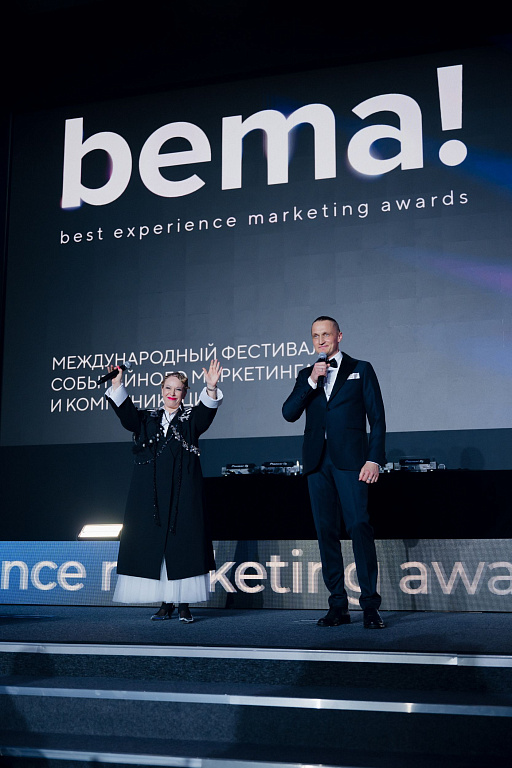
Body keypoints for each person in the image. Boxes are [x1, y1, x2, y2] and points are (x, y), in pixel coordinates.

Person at [282, 316, 386, 629]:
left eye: (326, 334)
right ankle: (338, 605)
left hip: (352, 462)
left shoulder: (361, 369)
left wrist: (374, 459)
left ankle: (370, 606)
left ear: (339, 336)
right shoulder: (307, 375)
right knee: (326, 532)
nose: (321, 340)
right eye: (316, 336)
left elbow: (377, 419)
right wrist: (312, 381)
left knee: (359, 526)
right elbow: (289, 413)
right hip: (317, 463)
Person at [105, 359, 223, 623]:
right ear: (161, 390)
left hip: (183, 493)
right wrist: (117, 384)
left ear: (185, 393)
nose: (172, 393)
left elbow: (206, 415)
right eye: (168, 388)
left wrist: (211, 388)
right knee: (157, 547)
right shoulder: (147, 418)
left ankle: (184, 605)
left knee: (183, 546)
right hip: (153, 495)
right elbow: (127, 417)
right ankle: (165, 604)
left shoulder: (191, 419)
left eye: (178, 389)